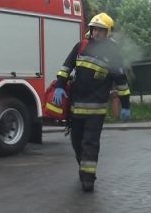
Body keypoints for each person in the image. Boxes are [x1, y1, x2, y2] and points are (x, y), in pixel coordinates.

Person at [53, 12, 131, 192]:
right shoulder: (80, 47)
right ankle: (84, 168)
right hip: (76, 108)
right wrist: (59, 85)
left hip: (96, 111)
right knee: (77, 142)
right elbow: (66, 68)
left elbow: (121, 82)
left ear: (108, 32)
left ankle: (88, 179)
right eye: (94, 29)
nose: (96, 33)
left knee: (90, 143)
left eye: (101, 30)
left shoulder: (113, 54)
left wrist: (125, 105)